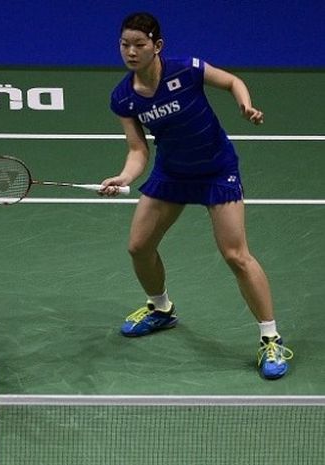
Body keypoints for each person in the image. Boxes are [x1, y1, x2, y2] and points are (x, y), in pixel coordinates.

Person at [99, 12, 293, 379]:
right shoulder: (123, 98)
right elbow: (138, 150)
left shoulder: (186, 70)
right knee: (139, 247)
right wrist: (123, 177)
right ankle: (160, 309)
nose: (131, 51)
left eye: (139, 45)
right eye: (125, 44)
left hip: (217, 170)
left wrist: (245, 103)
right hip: (173, 172)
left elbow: (232, 81)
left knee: (236, 255)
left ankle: (271, 338)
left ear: (157, 46)